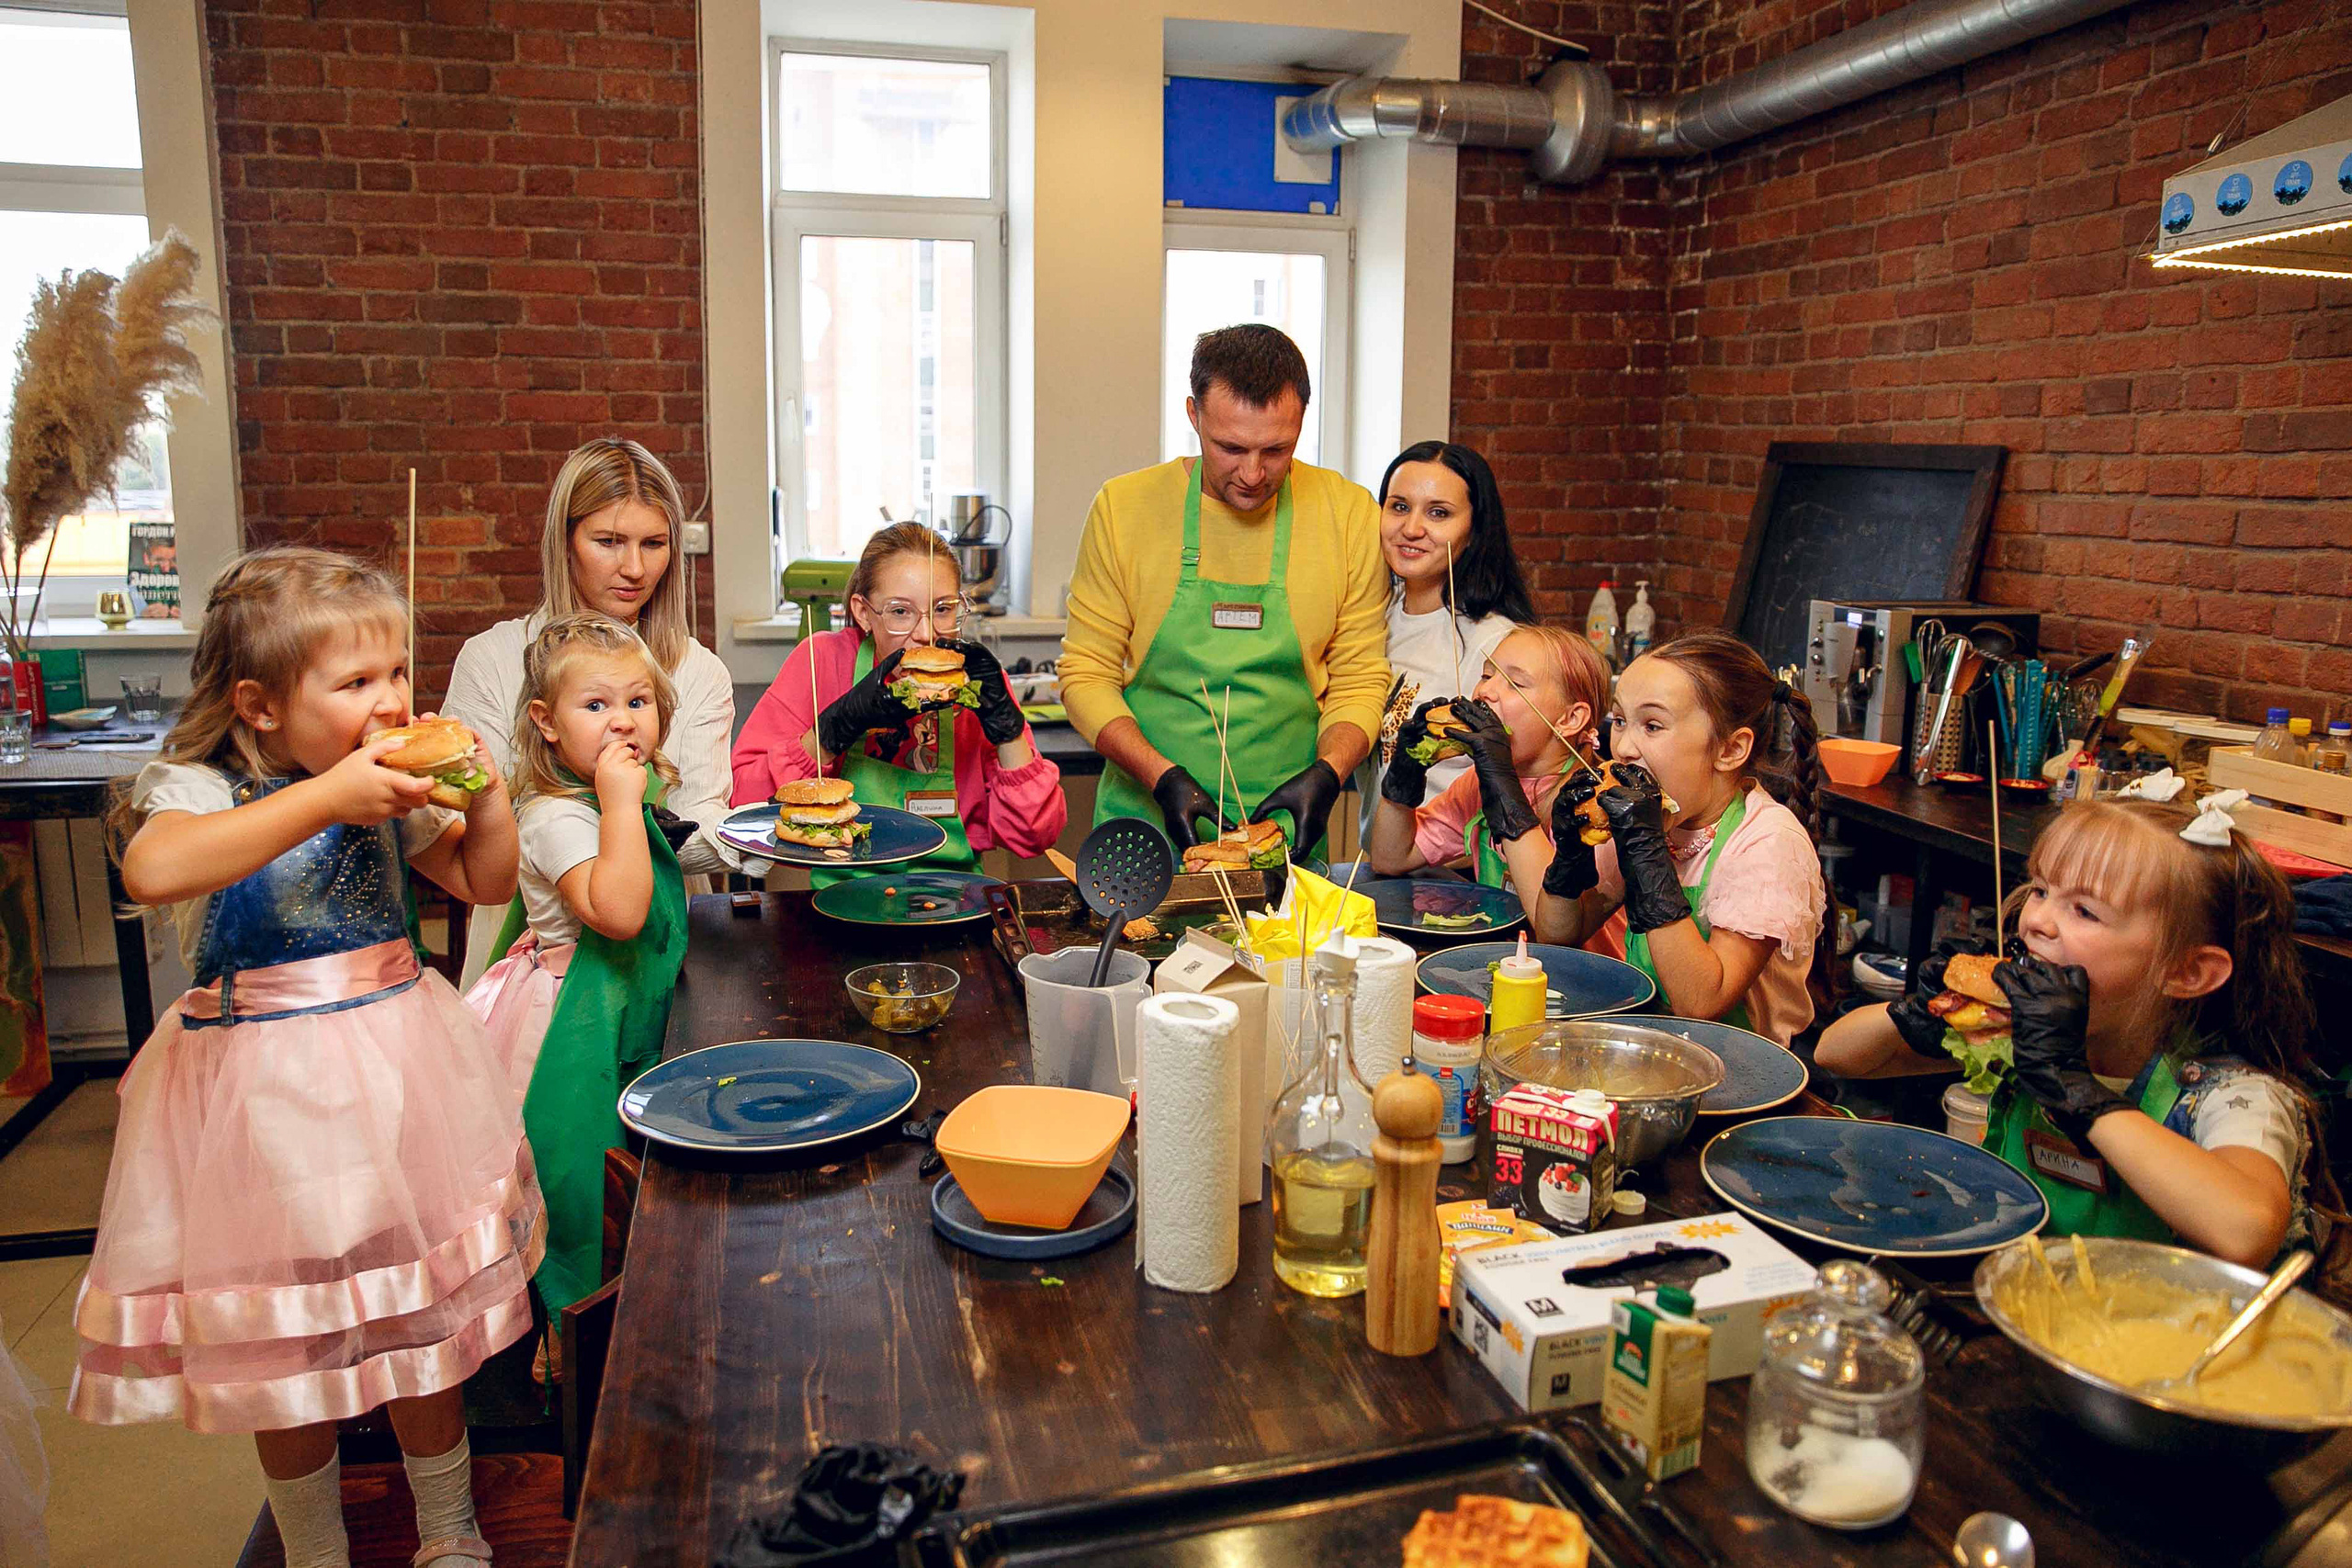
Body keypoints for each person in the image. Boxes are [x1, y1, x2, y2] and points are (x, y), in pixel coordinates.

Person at [74, 547, 545, 1568]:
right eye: (357, 682)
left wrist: (489, 801)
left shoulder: (385, 786)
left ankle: (449, 1527)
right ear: (260, 704)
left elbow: (480, 879)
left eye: (396, 675)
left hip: (395, 1076)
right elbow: (155, 868)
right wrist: (328, 795)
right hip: (260, 1104)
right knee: (277, 1339)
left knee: (414, 1317)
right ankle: (313, 1548)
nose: (391, 701)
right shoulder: (201, 785)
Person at [1815, 799, 2330, 1269]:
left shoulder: (2236, 1097)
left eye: (2084, 910)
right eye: (2041, 890)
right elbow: (1838, 1054)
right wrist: (1917, 1012)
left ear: (2186, 972)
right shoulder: (2024, 1036)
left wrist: (2075, 1088)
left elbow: (2246, 1231)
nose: (2036, 920)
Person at [468, 615, 731, 1358]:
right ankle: (569, 1337)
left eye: (639, 702)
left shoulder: (607, 796)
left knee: (629, 1173)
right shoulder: (555, 814)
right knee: (578, 1177)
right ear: (546, 724)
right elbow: (617, 913)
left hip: (623, 1008)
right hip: (569, 1023)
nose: (623, 720)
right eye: (596, 706)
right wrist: (622, 804)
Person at [1061, 324, 1387, 857]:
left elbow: (1359, 677)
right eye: (1231, 448)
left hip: (1286, 826)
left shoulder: (1347, 512)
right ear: (1193, 415)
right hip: (1146, 819)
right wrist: (1161, 776)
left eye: (1277, 450)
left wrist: (1330, 773)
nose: (1254, 474)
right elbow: (1085, 676)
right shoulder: (1125, 508)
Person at [444, 436, 733, 985]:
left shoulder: (697, 670)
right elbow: (463, 826)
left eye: (654, 544)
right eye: (608, 541)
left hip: (662, 942)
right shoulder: (495, 657)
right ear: (566, 540)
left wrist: (760, 839)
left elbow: (702, 822)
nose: (634, 568)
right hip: (528, 954)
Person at [1536, 630, 1827, 1047]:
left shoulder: (1767, 843)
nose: (1623, 748)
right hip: (1649, 1046)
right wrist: (1569, 858)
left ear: (1729, 750)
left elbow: (1701, 1001)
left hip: (1738, 1072)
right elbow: (1559, 933)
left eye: (1652, 725)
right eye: (1619, 721)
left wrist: (1646, 853)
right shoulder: (1650, 820)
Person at [729, 523, 1065, 880]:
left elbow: (1034, 837)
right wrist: (829, 733)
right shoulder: (823, 661)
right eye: (900, 612)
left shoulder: (974, 680)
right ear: (863, 612)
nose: (925, 634)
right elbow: (744, 808)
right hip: (837, 902)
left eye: (943, 609)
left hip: (954, 902)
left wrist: (1007, 730)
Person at [1358, 441, 1533, 840]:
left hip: (1454, 872)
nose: (1412, 528)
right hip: (1380, 866)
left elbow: (1524, 790)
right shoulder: (1370, 617)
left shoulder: (1496, 643)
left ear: (1474, 530)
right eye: (1399, 506)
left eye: (1439, 513)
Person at [1367, 626, 1606, 918]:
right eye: (1486, 675)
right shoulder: (1476, 784)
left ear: (1570, 719)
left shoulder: (1593, 800)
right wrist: (1404, 778)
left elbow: (1553, 926)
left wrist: (1502, 787)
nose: (1485, 691)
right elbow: (1389, 858)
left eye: (1515, 684)